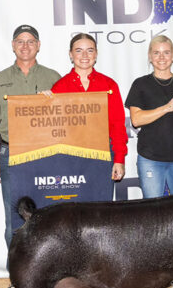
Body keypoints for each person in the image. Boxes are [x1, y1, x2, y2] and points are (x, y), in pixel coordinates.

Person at [0, 25, 60, 248]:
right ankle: (17, 278)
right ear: (12, 46)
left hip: (47, 154)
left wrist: (54, 101)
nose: (25, 46)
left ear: (38, 46)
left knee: (48, 215)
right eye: (20, 41)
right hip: (13, 153)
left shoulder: (54, 78)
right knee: (15, 219)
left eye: (30, 41)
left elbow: (65, 118)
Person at [124, 35, 173, 198]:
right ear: (150, 57)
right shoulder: (140, 84)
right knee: (152, 211)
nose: (161, 57)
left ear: (172, 56)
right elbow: (136, 120)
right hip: (151, 158)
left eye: (166, 52)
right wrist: (166, 108)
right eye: (156, 53)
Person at [51, 33, 128, 184]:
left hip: (103, 156)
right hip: (69, 158)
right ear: (71, 55)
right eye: (79, 50)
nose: (85, 55)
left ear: (96, 54)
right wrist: (43, 101)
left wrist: (119, 159)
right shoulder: (60, 87)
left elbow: (117, 125)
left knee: (102, 206)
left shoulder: (109, 85)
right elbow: (53, 128)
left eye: (90, 50)